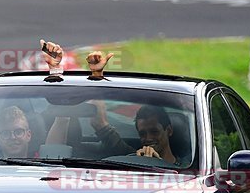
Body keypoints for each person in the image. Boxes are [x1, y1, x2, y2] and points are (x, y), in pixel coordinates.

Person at [39, 39, 186, 165]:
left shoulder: (188, 166)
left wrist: (156, 164)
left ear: (169, 130)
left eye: (154, 131)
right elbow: (100, 124)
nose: (148, 138)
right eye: (142, 133)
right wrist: (96, 76)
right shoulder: (132, 157)